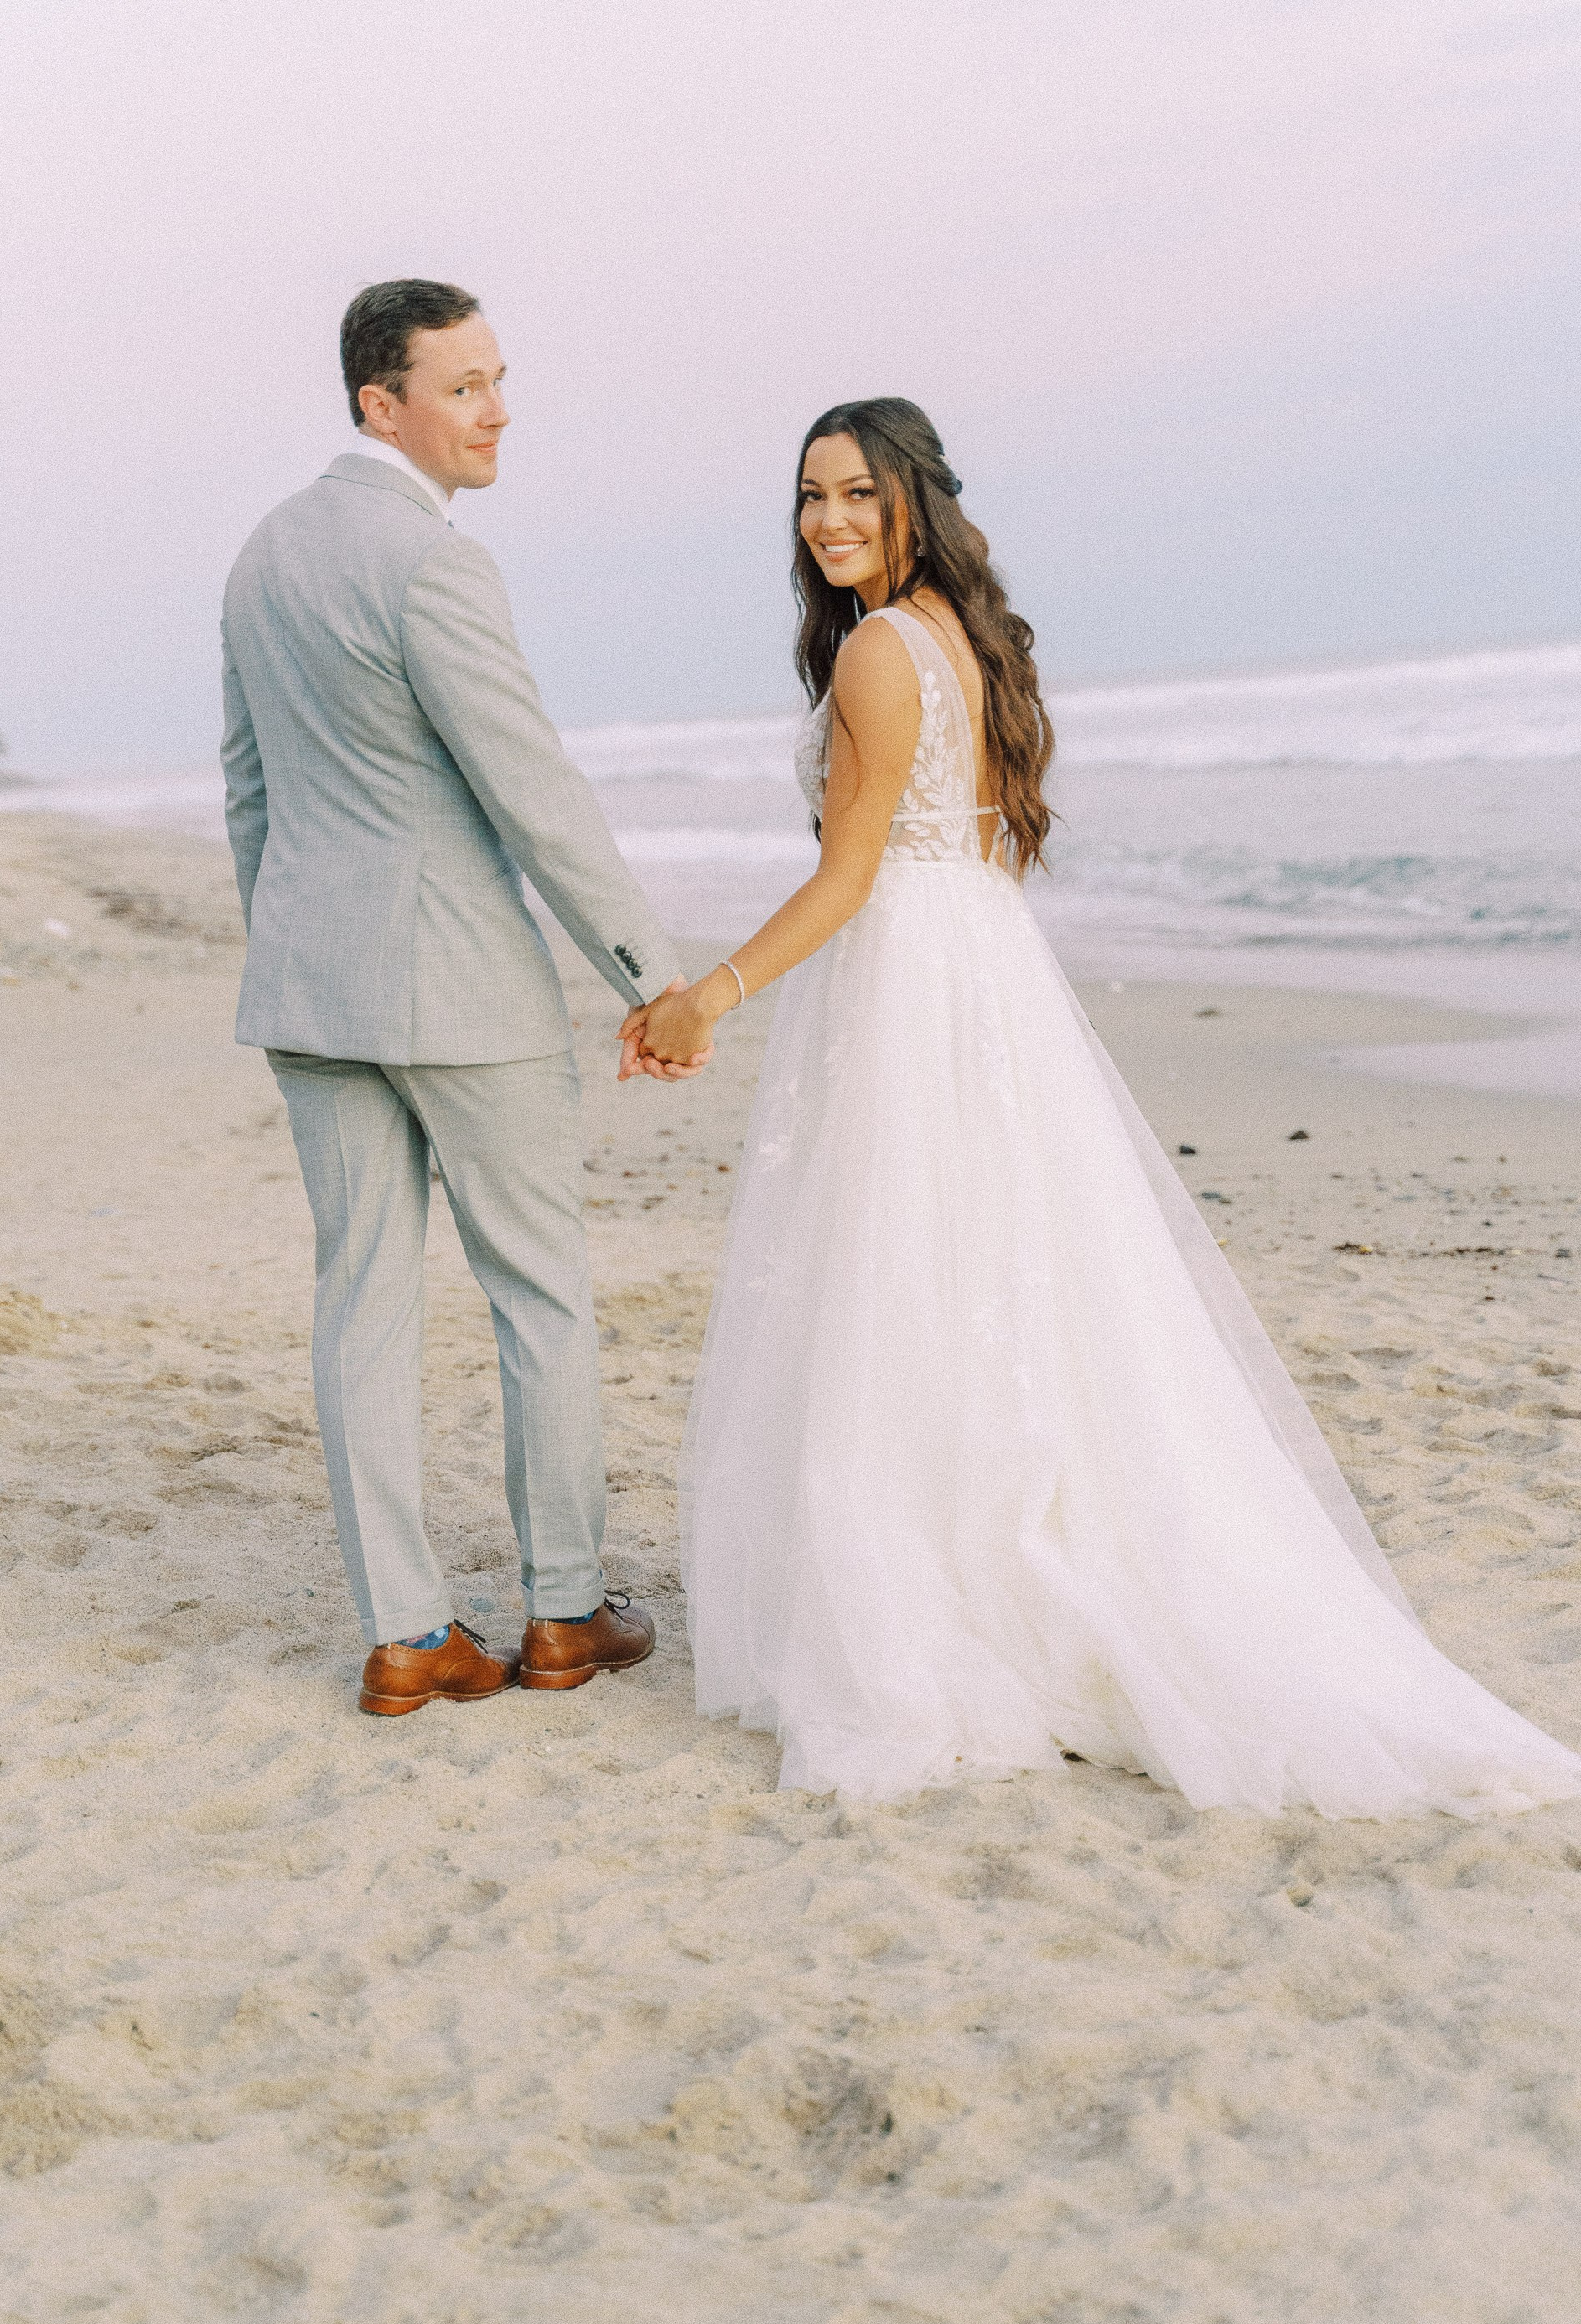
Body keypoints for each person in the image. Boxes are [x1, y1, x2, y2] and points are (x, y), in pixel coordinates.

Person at [622, 397, 1581, 1816]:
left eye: (857, 497)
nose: (828, 520)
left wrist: (711, 992)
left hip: (914, 984)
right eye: (811, 497)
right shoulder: (968, 635)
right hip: (979, 974)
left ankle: (948, 1606)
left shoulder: (886, 653)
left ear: (912, 505)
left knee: (903, 1281)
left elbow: (848, 878)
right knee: (994, 1280)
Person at [221, 278, 705, 1718]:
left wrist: (298, 945)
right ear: (385, 402)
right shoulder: (432, 564)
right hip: (461, 995)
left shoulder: (262, 555)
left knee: (359, 1302)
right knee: (539, 1294)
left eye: (501, 379)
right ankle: (561, 1614)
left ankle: (408, 1637)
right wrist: (647, 971)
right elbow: (530, 786)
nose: (498, 411)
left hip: (314, 990)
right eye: (467, 385)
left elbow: (251, 791)